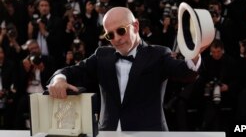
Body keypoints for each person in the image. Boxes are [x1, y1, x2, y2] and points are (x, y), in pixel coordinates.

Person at [48, 7, 205, 131]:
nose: (116, 39)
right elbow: (72, 71)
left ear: (135, 26)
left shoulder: (158, 54)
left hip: (148, 134)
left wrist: (195, 52)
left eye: (121, 31)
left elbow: (186, 73)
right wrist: (59, 79)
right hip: (108, 133)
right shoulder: (102, 55)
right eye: (110, 35)